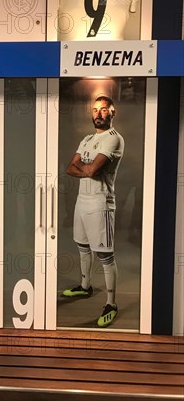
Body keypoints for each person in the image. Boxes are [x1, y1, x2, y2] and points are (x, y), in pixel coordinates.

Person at [62, 96, 124, 327]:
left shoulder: (114, 139)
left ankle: (111, 303)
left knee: (105, 256)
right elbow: (71, 167)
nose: (98, 113)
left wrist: (85, 169)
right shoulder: (87, 138)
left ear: (112, 113)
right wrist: (86, 170)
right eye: (95, 110)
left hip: (100, 202)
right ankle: (85, 286)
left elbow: (91, 170)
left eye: (104, 110)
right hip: (82, 200)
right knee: (82, 246)